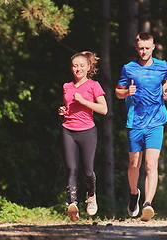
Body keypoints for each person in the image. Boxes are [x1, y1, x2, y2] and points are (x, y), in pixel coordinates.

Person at [115, 32, 167, 221]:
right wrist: (126, 93)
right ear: (136, 48)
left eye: (147, 47)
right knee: (134, 164)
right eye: (141, 48)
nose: (144, 51)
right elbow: (117, 91)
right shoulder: (128, 68)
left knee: (151, 164)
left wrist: (166, 89)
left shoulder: (162, 66)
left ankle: (148, 204)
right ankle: (134, 194)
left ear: (153, 47)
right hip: (135, 122)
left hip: (156, 121)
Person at [58, 51, 108, 221]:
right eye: (74, 66)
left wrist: (84, 101)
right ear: (71, 68)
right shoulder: (67, 86)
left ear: (88, 67)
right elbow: (69, 106)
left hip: (87, 131)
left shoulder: (94, 85)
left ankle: (91, 196)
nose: (77, 68)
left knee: (87, 170)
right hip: (67, 130)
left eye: (81, 65)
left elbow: (103, 109)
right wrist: (63, 110)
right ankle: (72, 205)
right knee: (71, 169)